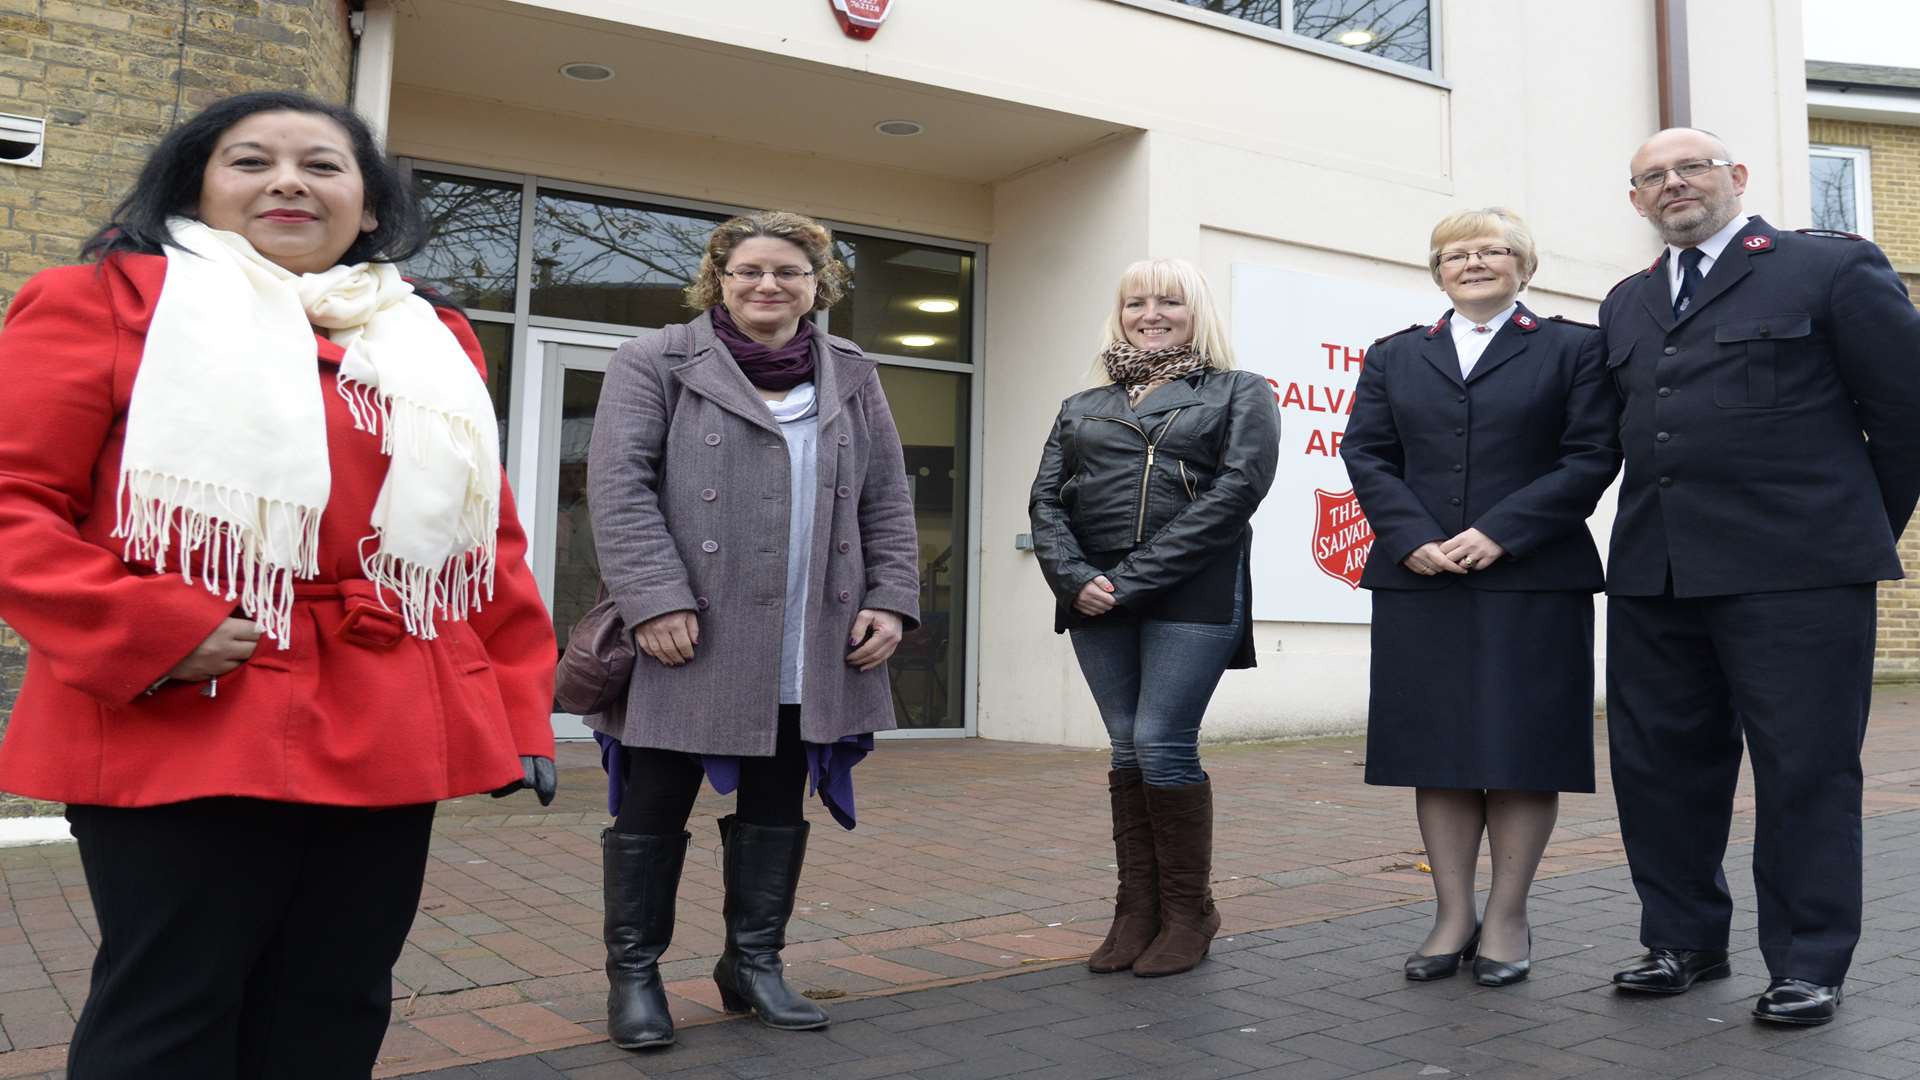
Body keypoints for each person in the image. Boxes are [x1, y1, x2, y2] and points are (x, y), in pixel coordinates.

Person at [0, 91, 558, 1078]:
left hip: (386, 713)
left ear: (372, 206)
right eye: (250, 161)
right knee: (170, 1012)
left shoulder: (430, 336)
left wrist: (514, 710)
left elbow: (486, 545)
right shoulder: (100, 301)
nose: (288, 179)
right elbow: (13, 498)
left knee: (334, 1007)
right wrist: (142, 625)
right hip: (180, 709)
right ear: (197, 188)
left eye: (323, 165)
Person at [1599, 128, 1920, 1025]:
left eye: (1691, 167)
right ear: (1636, 202)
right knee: (1659, 767)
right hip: (1657, 574)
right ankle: (1682, 941)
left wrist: (1847, 535)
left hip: (1800, 575)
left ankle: (1808, 961)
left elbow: (1904, 418)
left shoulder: (1826, 270)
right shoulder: (1626, 302)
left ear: (1736, 178)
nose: (1673, 184)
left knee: (1805, 770)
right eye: (1651, 177)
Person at [586, 210, 920, 1046]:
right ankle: (635, 977)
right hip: (687, 630)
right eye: (748, 272)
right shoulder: (655, 359)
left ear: (818, 285)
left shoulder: (850, 369)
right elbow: (619, 488)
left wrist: (890, 597)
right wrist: (655, 599)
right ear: (719, 280)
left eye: (789, 273)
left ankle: (753, 964)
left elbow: (886, 497)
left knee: (776, 800)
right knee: (654, 803)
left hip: (813, 628)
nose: (767, 286)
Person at [1342, 208, 1621, 987]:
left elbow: (1593, 454)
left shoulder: (1575, 348)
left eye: (1490, 250)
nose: (1471, 263)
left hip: (1534, 577)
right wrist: (1409, 535)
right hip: (1420, 577)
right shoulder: (1395, 356)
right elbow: (1366, 452)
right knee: (1441, 751)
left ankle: (1507, 915)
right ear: (1436, 272)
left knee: (1523, 751)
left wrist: (1501, 531)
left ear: (1523, 265)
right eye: (1453, 254)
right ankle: (1451, 913)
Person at [1028, 258, 1278, 978]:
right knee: (1128, 747)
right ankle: (1137, 911)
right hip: (1095, 595)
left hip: (1190, 590)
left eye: (1169, 300)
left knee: (1163, 741)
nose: (1151, 312)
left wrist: (1128, 580)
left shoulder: (1239, 392)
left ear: (1197, 310)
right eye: (1137, 301)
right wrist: (1076, 579)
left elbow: (1236, 493)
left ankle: (1189, 911)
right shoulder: (1082, 404)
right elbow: (1047, 501)